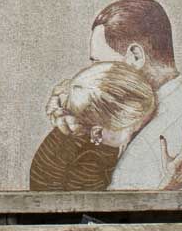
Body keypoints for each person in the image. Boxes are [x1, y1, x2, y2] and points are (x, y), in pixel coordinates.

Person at [88, 0, 182, 190]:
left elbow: (120, 217)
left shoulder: (158, 135)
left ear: (136, 56)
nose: (94, 78)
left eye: (100, 65)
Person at [30, 61, 156, 191]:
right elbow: (93, 204)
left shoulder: (81, 121)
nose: (138, 132)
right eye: (132, 130)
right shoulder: (89, 160)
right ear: (98, 133)